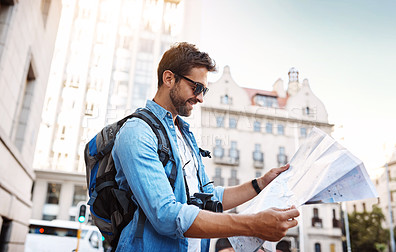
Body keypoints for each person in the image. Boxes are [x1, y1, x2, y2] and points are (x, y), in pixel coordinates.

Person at [112, 42, 300, 251]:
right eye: (196, 87)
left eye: (204, 90)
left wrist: (260, 184)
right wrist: (252, 225)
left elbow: (209, 198)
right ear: (169, 79)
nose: (200, 98)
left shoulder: (184, 135)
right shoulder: (137, 132)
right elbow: (165, 215)